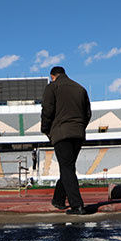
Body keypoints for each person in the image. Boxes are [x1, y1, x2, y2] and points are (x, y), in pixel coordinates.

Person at [41, 66, 93, 215]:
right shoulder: (80, 88)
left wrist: (46, 129)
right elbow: (88, 113)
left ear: (53, 76)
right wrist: (80, 127)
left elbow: (47, 110)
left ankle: (77, 206)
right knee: (68, 167)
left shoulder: (52, 87)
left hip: (61, 133)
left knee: (67, 168)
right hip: (78, 133)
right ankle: (58, 200)